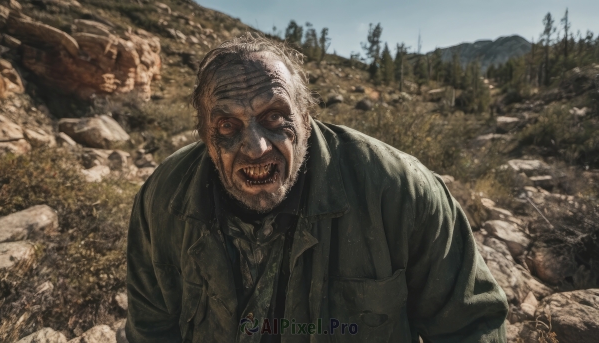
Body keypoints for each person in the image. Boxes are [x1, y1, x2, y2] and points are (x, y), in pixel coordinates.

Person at [125, 33, 508, 343]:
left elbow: (471, 326)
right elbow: (152, 330)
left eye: (274, 117)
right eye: (227, 125)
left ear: (306, 121)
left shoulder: (399, 192)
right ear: (205, 137)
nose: (255, 147)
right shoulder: (162, 200)